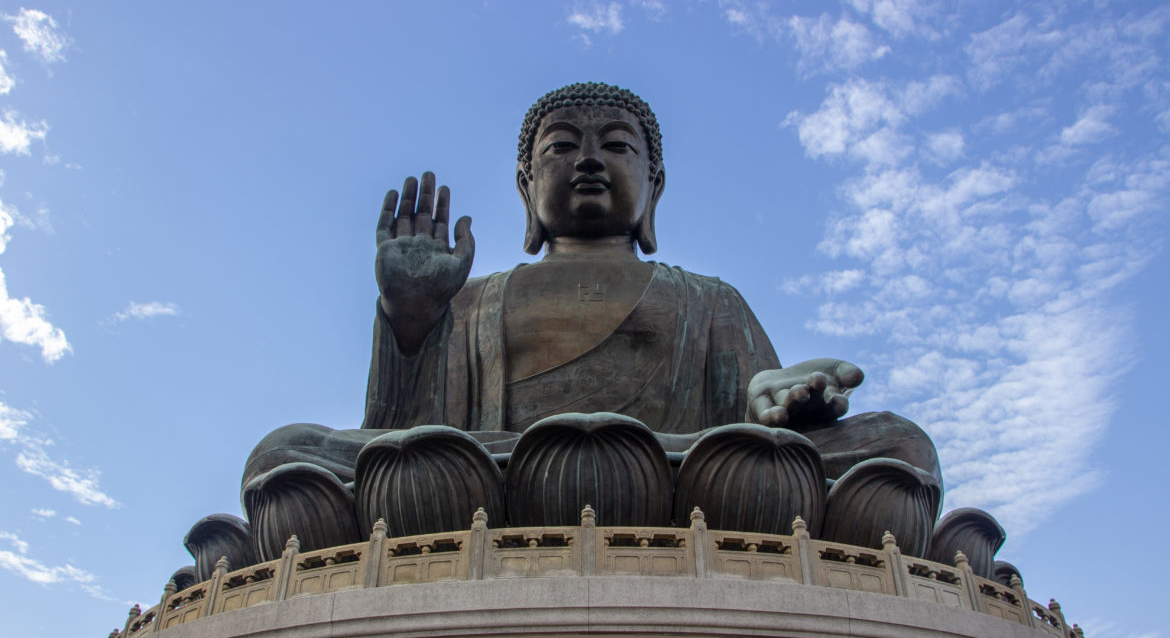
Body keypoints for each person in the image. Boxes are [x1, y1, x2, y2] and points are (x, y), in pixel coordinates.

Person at [236, 83, 941, 561]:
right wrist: (410, 322)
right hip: (492, 476)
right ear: (524, 187)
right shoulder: (473, 299)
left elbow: (757, 424)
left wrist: (774, 408)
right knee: (283, 454)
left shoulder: (708, 299)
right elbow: (405, 439)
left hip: (680, 471)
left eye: (618, 146)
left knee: (902, 448)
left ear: (653, 187)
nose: (591, 160)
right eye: (563, 146)